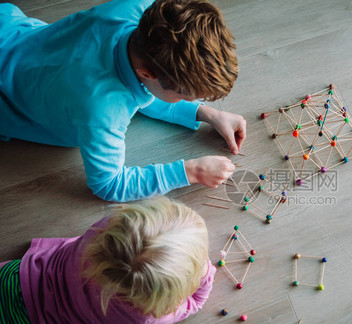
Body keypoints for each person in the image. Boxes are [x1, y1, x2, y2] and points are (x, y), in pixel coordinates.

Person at [0, 0, 245, 202]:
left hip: (12, 32)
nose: (187, 100)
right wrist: (192, 171)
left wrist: (204, 113)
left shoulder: (144, 11)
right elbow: (109, 184)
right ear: (146, 74)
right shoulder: (101, 110)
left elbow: (147, 87)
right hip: (10, 99)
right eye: (183, 96)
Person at [0, 197, 215, 324]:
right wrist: (206, 274)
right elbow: (194, 303)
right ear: (164, 301)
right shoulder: (145, 316)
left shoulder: (104, 229)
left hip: (16, 279)